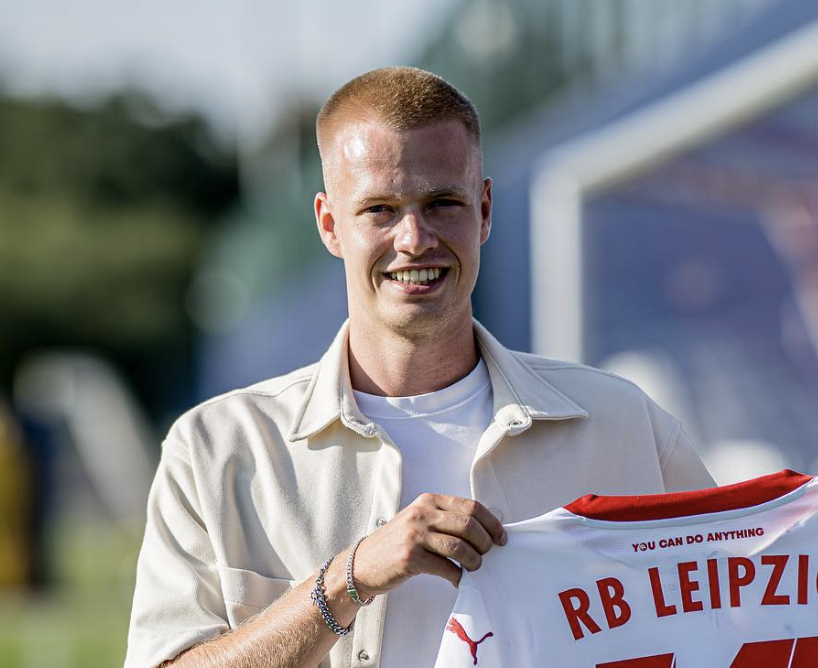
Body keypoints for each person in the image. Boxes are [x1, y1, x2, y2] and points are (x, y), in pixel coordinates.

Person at [125, 67, 714, 668]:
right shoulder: (215, 450)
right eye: (380, 209)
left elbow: (734, 621)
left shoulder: (624, 426)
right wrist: (347, 581)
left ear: (484, 210)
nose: (415, 238)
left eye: (442, 203)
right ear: (330, 225)